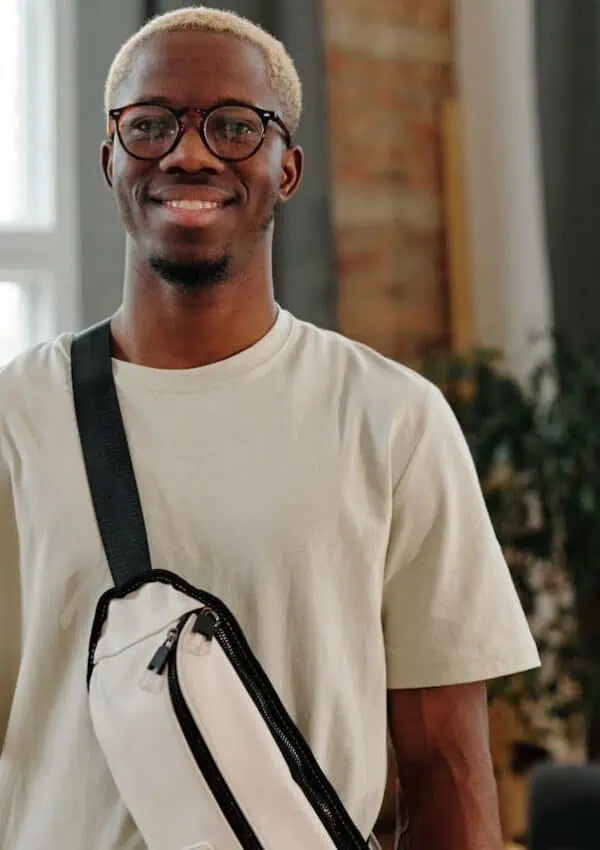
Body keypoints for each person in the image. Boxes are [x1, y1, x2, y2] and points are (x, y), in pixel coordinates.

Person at [0, 6, 540, 849]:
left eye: (233, 126)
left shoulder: (392, 420)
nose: (188, 153)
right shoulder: (17, 415)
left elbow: (449, 772)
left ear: (287, 167)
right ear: (110, 160)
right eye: (150, 124)